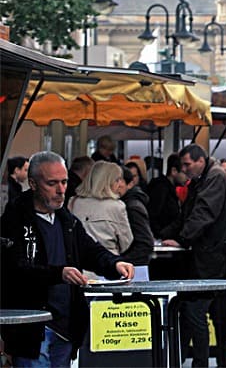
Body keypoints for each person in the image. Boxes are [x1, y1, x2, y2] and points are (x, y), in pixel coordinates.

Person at [0, 151, 134, 366]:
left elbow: (90, 250)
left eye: (64, 182)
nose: (61, 190)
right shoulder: (15, 220)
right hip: (32, 326)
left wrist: (115, 263)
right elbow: (15, 269)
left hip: (65, 324)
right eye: (52, 183)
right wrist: (58, 273)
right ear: (33, 184)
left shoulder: (66, 219)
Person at [161, 144, 226, 368]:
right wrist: (168, 234)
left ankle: (202, 362)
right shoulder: (206, 177)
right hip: (213, 255)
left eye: (188, 164)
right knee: (208, 314)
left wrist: (182, 238)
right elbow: (190, 213)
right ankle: (214, 361)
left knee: (196, 312)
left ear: (201, 160)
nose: (185, 169)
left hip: (214, 257)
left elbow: (203, 213)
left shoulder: (214, 177)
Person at [68, 160, 133, 259]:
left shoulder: (73, 202)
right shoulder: (117, 206)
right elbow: (126, 242)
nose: (120, 184)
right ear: (107, 182)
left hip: (79, 264)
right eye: (117, 180)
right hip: (108, 262)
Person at [117, 165, 154, 267]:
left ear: (129, 184)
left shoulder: (132, 206)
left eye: (119, 181)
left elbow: (145, 243)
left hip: (133, 267)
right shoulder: (128, 203)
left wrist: (121, 261)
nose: (116, 185)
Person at [146, 153, 185, 238]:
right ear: (174, 171)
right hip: (161, 240)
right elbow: (152, 216)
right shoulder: (161, 189)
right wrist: (161, 235)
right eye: (184, 173)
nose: (187, 177)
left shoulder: (168, 189)